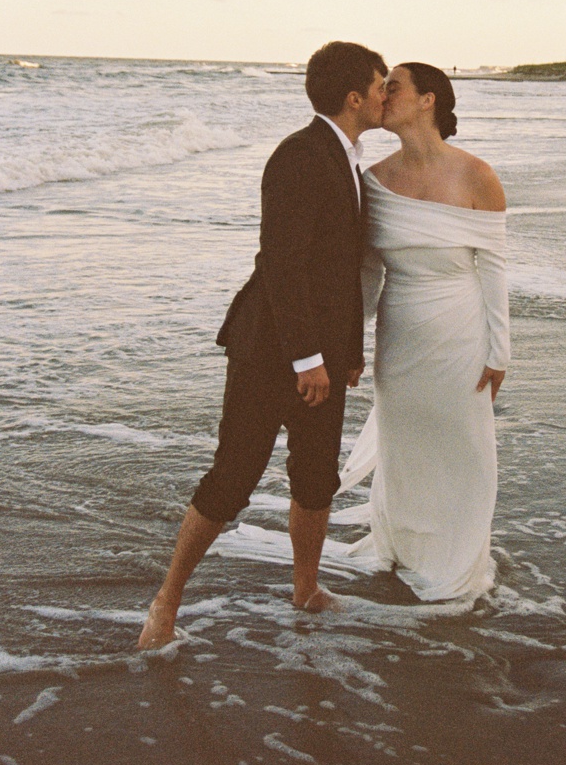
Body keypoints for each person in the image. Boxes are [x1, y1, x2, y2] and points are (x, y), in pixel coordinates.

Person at [137, 42, 386, 649]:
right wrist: (308, 359)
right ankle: (164, 605)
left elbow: (341, 271)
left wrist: (347, 353)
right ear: (354, 97)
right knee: (233, 479)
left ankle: (304, 588)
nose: (387, 93)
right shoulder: (300, 155)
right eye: (381, 85)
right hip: (268, 351)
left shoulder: (348, 158)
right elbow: (282, 265)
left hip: (322, 355)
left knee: (316, 477)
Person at [340, 62, 508, 601]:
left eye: (394, 87)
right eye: (381, 88)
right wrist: (351, 341)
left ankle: (458, 557)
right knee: (405, 443)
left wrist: (500, 351)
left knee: (465, 447)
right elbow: (369, 272)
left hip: (460, 329)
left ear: (428, 100)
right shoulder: (374, 180)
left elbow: (494, 268)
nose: (382, 95)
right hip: (401, 330)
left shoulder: (476, 174)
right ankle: (407, 546)